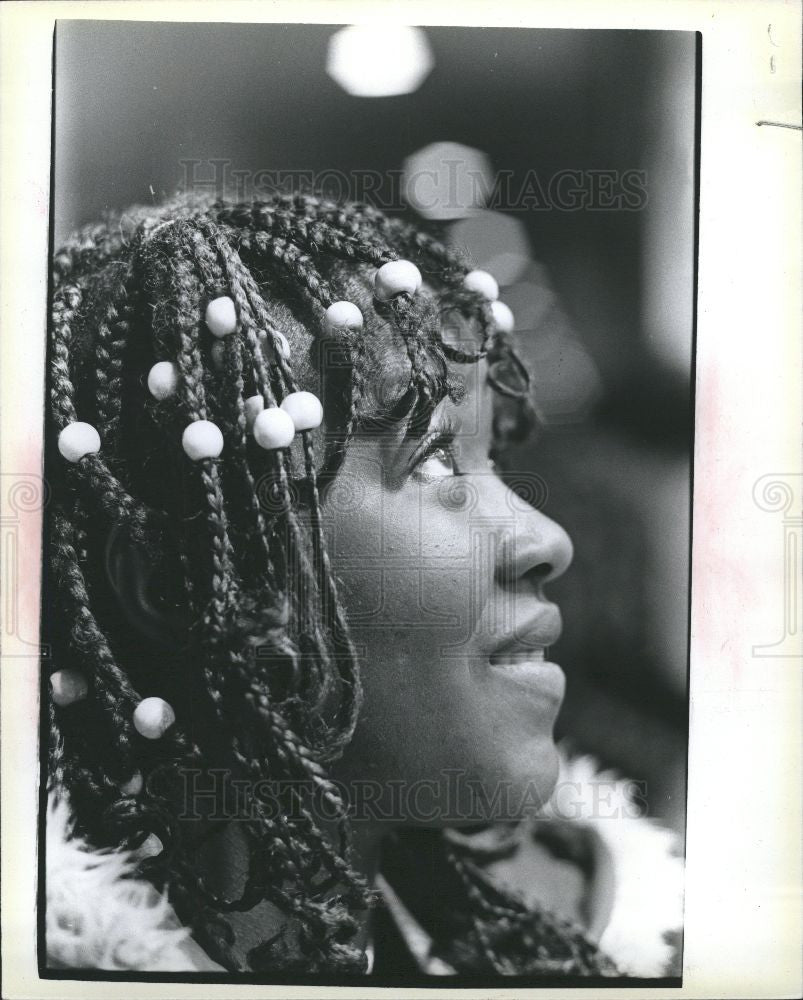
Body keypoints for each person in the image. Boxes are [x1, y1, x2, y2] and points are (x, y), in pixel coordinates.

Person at [44, 193, 682, 977]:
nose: (544, 540)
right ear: (182, 581)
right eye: (433, 460)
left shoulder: (586, 923)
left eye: (493, 464)